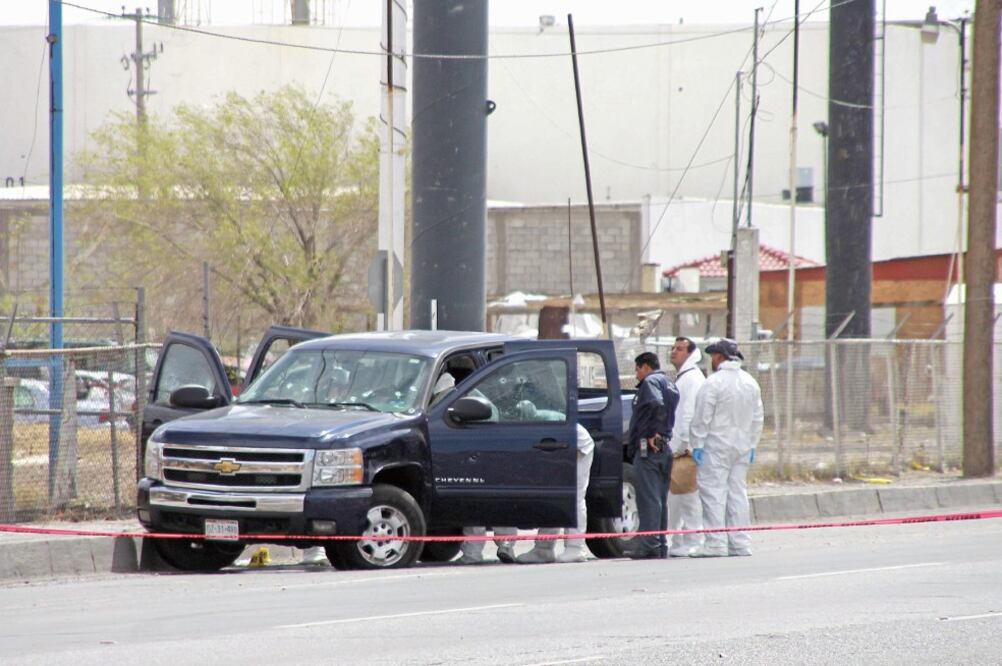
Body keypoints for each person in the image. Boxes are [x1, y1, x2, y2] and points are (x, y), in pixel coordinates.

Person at [690, 338, 764, 558]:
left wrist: (697, 445)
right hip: (741, 448)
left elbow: (701, 418)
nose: (711, 360)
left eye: (713, 356)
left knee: (713, 493)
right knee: (737, 494)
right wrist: (752, 444)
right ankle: (740, 543)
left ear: (719, 357)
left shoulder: (713, 383)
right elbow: (757, 418)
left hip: (716, 447)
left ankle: (715, 543)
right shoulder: (750, 382)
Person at [625, 351, 679, 559]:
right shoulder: (669, 382)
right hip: (664, 448)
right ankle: (660, 543)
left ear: (645, 367)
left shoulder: (650, 382)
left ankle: (649, 544)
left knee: (648, 499)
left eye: (637, 370)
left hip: (649, 450)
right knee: (658, 499)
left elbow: (656, 404)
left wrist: (650, 433)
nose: (637, 375)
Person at [517, 424, 596, 564]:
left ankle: (575, 548)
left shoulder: (535, 412)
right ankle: (544, 549)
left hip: (575, 444)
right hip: (554, 442)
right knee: (552, 496)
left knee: (575, 496)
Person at [666, 336, 706, 557]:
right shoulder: (684, 378)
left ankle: (693, 540)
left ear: (690, 353)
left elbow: (688, 415)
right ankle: (679, 541)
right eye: (673, 348)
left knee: (689, 498)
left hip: (685, 449)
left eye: (679, 349)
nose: (674, 351)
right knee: (677, 499)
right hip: (678, 447)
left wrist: (681, 445)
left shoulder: (692, 379)